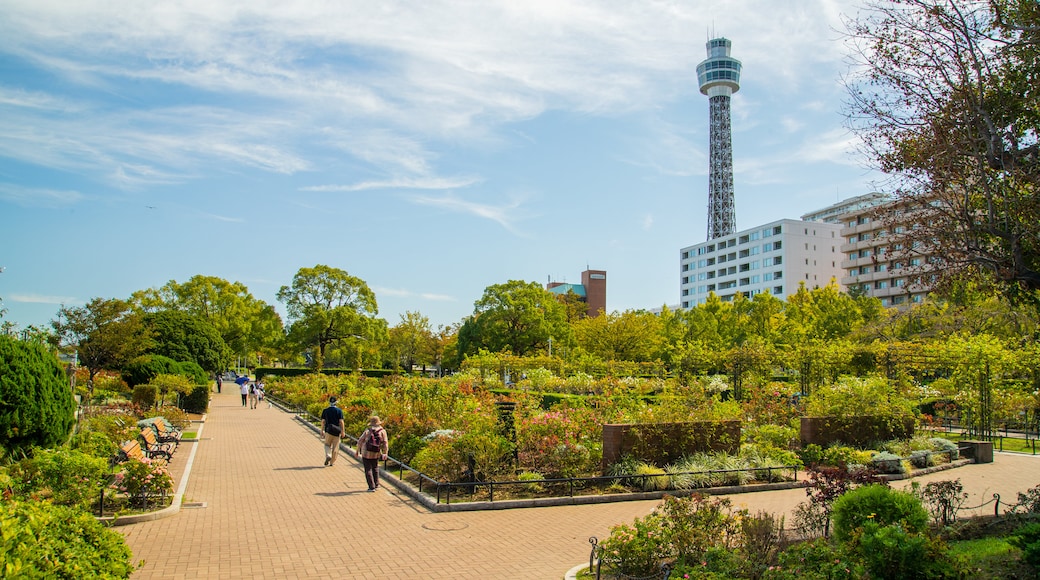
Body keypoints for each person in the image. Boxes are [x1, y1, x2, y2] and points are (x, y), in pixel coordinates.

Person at [357, 416, 388, 491]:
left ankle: (371, 486)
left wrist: (357, 451)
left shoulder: (368, 430)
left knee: (368, 469)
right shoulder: (382, 431)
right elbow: (385, 443)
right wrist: (385, 453)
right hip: (376, 452)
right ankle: (376, 484)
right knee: (375, 467)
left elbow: (360, 441)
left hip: (366, 452)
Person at [320, 397, 345, 467]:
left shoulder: (325, 410)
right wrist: (343, 431)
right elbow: (341, 422)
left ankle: (328, 454)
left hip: (328, 431)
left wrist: (321, 430)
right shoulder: (339, 411)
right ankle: (332, 462)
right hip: (337, 432)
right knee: (335, 447)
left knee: (327, 445)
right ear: (336, 402)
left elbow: (323, 421)